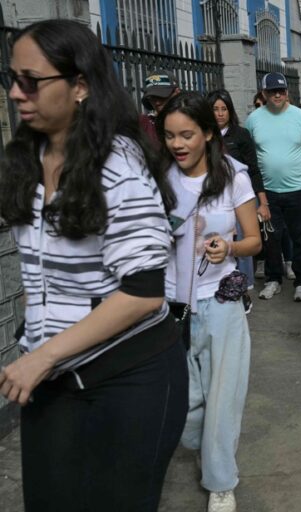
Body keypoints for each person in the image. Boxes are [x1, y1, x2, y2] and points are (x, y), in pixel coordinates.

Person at [0, 19, 187, 511]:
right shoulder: (26, 155)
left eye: (32, 81)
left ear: (80, 85)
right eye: (12, 78)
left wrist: (41, 356)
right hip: (55, 373)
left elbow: (144, 293)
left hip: (129, 377)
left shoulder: (116, 164)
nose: (18, 93)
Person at [158, 92, 261, 512]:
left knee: (223, 399)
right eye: (168, 136)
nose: (177, 145)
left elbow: (253, 240)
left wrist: (229, 248)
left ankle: (221, 480)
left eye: (186, 135)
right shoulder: (158, 178)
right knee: (186, 405)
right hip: (170, 309)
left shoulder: (233, 176)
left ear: (207, 133)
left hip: (221, 305)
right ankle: (204, 447)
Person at [245, 72, 301, 301]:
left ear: (287, 92)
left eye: (282, 91)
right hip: (267, 193)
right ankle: (273, 279)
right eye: (272, 91)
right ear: (263, 93)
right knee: (271, 239)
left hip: (297, 188)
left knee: (300, 237)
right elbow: (251, 154)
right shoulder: (254, 119)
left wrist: (300, 174)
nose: (277, 95)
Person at [208, 89, 266, 313]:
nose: (220, 114)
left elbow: (254, 170)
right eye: (215, 109)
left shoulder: (240, 135)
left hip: (240, 200)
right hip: (214, 201)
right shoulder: (204, 135)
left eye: (224, 109)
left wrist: (263, 202)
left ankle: (244, 291)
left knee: (242, 244)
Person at [140, 68, 181, 145]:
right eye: (152, 98)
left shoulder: (193, 120)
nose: (157, 102)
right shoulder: (145, 125)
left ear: (177, 92)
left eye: (162, 96)